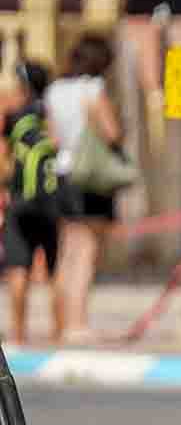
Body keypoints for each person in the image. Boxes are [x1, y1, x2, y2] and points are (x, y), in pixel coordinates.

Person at [45, 35, 128, 342]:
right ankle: (77, 324)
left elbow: (53, 138)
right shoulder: (93, 88)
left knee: (66, 251)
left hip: (63, 173)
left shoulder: (55, 90)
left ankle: (60, 321)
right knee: (86, 252)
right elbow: (111, 133)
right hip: (90, 177)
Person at [2, 62, 61, 344]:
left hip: (20, 201)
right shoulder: (50, 114)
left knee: (18, 266)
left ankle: (19, 333)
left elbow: (4, 160)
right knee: (54, 269)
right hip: (50, 201)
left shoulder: (14, 118)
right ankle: (58, 332)